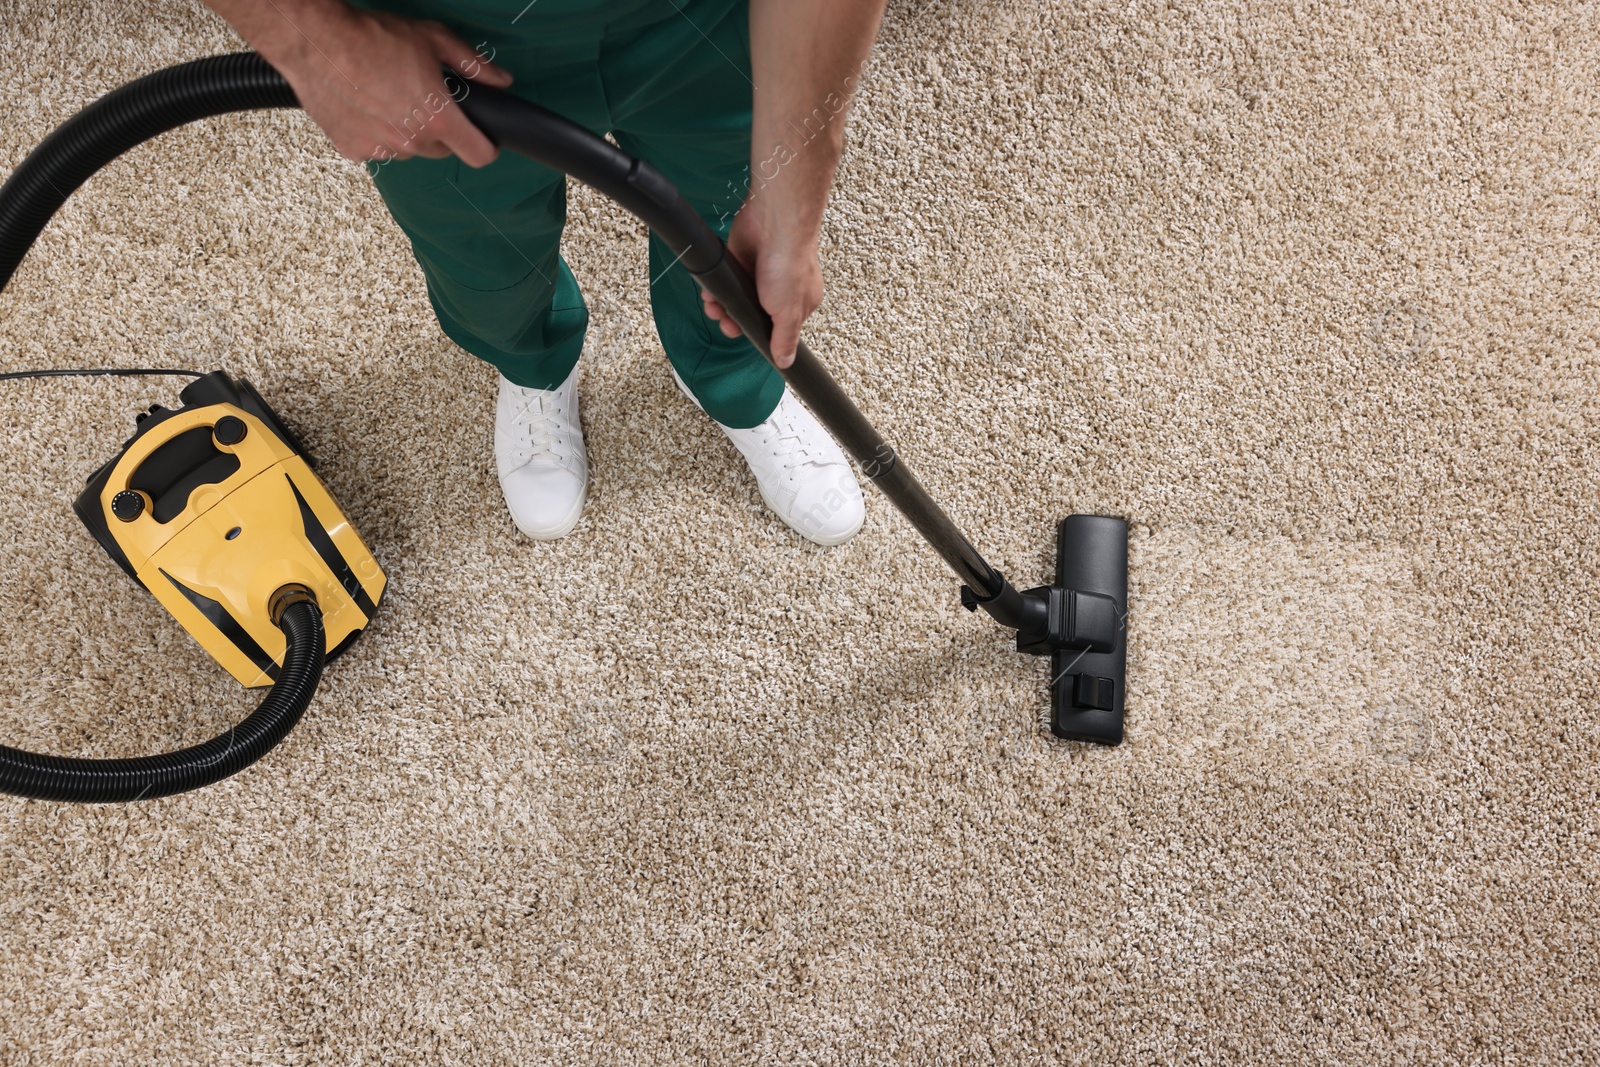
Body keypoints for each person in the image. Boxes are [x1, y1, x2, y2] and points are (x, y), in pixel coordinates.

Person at [202, 0, 887, 546]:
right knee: (479, 254)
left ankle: (732, 379)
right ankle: (532, 363)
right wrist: (312, 37)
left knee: (734, 231)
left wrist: (797, 197)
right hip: (438, 34)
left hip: (705, 18)